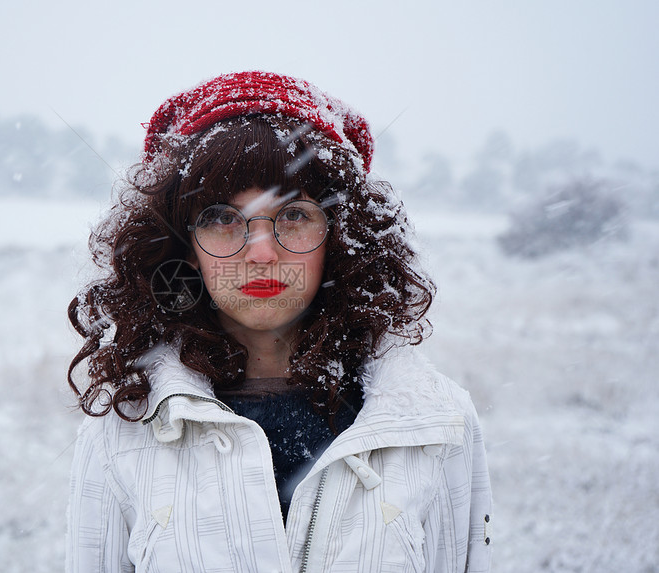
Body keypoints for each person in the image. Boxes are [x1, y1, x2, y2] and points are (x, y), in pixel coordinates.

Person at [65, 71, 492, 572]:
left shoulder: (437, 426)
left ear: (340, 236)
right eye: (222, 218)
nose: (262, 253)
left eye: (293, 216)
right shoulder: (127, 429)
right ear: (182, 245)